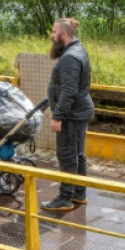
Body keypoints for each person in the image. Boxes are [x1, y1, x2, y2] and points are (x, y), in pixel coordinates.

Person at [40, 18, 95, 212]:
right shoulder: (77, 50)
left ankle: (65, 198)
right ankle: (79, 194)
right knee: (77, 154)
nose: (52, 36)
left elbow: (69, 90)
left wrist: (58, 116)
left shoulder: (70, 57)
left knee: (67, 155)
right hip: (78, 112)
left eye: (54, 32)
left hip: (71, 115)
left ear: (63, 35)